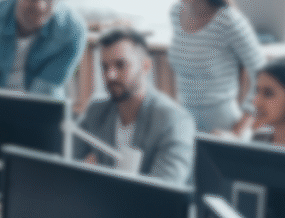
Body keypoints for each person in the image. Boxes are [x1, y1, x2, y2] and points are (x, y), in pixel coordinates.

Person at [168, 0, 266, 135]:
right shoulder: (175, 14)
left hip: (223, 125)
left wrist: (239, 131)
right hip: (184, 123)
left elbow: (263, 74)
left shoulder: (229, 21)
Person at [74, 28, 195, 184]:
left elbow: (163, 192)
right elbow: (68, 165)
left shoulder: (174, 121)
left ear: (145, 66)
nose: (110, 75)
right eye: (105, 67)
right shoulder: (96, 111)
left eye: (120, 65)